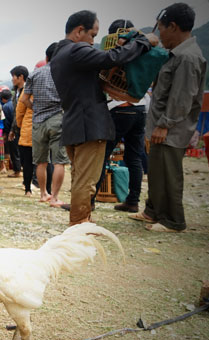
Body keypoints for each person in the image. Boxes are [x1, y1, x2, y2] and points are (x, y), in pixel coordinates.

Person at [50, 10, 157, 225]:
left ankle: (80, 221)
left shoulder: (58, 55)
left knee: (81, 179)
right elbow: (112, 57)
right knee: (86, 182)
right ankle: (79, 226)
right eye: (93, 35)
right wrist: (144, 41)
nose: (93, 41)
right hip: (90, 125)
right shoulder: (76, 50)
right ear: (80, 31)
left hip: (74, 124)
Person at [130, 3, 206, 233]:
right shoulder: (176, 54)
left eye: (160, 28)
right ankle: (152, 211)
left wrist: (164, 124)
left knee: (169, 173)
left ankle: (173, 220)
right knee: (156, 170)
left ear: (173, 27)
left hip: (171, 127)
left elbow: (182, 98)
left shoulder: (188, 57)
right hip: (161, 125)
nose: (159, 33)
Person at [94, 19, 149, 213]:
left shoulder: (118, 53)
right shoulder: (143, 50)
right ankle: (133, 201)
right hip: (140, 108)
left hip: (120, 107)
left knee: (103, 154)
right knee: (134, 157)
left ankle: (90, 200)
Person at [24, 43, 70, 206]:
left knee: (41, 161)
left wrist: (35, 108)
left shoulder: (34, 74)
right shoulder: (64, 72)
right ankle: (55, 198)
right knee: (59, 161)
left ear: (46, 57)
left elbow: (24, 99)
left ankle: (43, 194)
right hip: (57, 117)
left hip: (38, 120)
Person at [12, 66, 35, 196]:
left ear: (21, 77)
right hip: (40, 126)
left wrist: (19, 126)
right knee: (44, 160)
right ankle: (47, 190)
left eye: (13, 76)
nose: (12, 79)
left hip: (27, 128)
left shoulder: (27, 90)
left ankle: (28, 188)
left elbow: (19, 111)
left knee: (27, 160)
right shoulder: (17, 90)